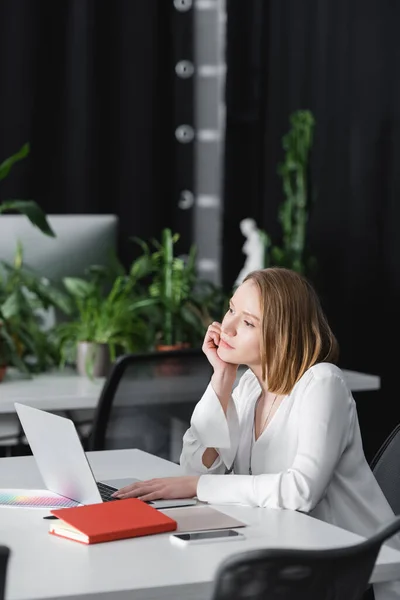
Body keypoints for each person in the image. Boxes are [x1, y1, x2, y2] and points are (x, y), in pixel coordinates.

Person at [113, 267, 400, 600]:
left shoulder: (322, 383)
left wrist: (197, 486)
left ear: (283, 334)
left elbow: (300, 490)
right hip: (292, 554)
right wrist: (221, 378)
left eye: (248, 322)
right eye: (231, 309)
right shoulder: (249, 386)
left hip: (355, 571)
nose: (228, 327)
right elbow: (197, 470)